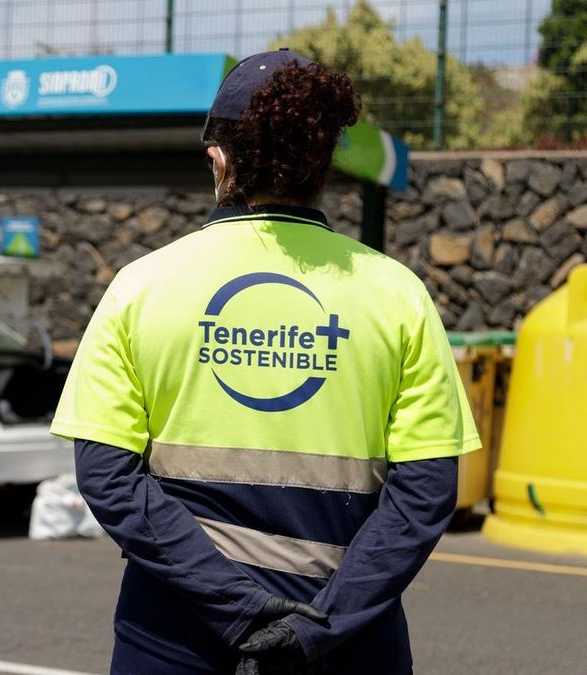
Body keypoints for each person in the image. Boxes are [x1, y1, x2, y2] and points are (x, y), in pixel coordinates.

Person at [51, 49, 479, 674]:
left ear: (218, 160)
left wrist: (242, 610)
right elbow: (425, 495)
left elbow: (108, 479)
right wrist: (315, 629)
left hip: (175, 636)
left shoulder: (140, 286)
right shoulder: (398, 294)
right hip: (345, 641)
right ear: (324, 161)